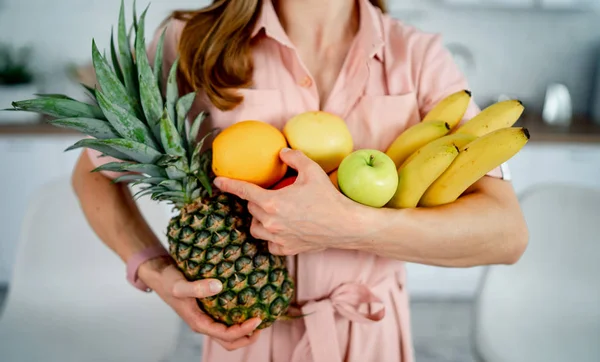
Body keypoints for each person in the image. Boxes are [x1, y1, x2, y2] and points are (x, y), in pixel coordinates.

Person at [71, 0, 529, 361]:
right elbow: (92, 173)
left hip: (372, 339)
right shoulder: (191, 42)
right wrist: (154, 268)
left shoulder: (418, 58)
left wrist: (352, 226)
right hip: (246, 338)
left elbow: (506, 234)